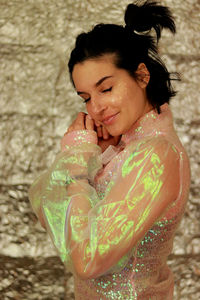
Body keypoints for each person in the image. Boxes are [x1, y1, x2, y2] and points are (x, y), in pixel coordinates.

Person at [29, 1, 191, 299]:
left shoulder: (157, 154)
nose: (96, 108)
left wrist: (77, 164)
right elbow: (43, 206)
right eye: (86, 98)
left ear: (142, 76)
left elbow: (87, 260)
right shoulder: (124, 148)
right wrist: (93, 157)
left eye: (106, 89)